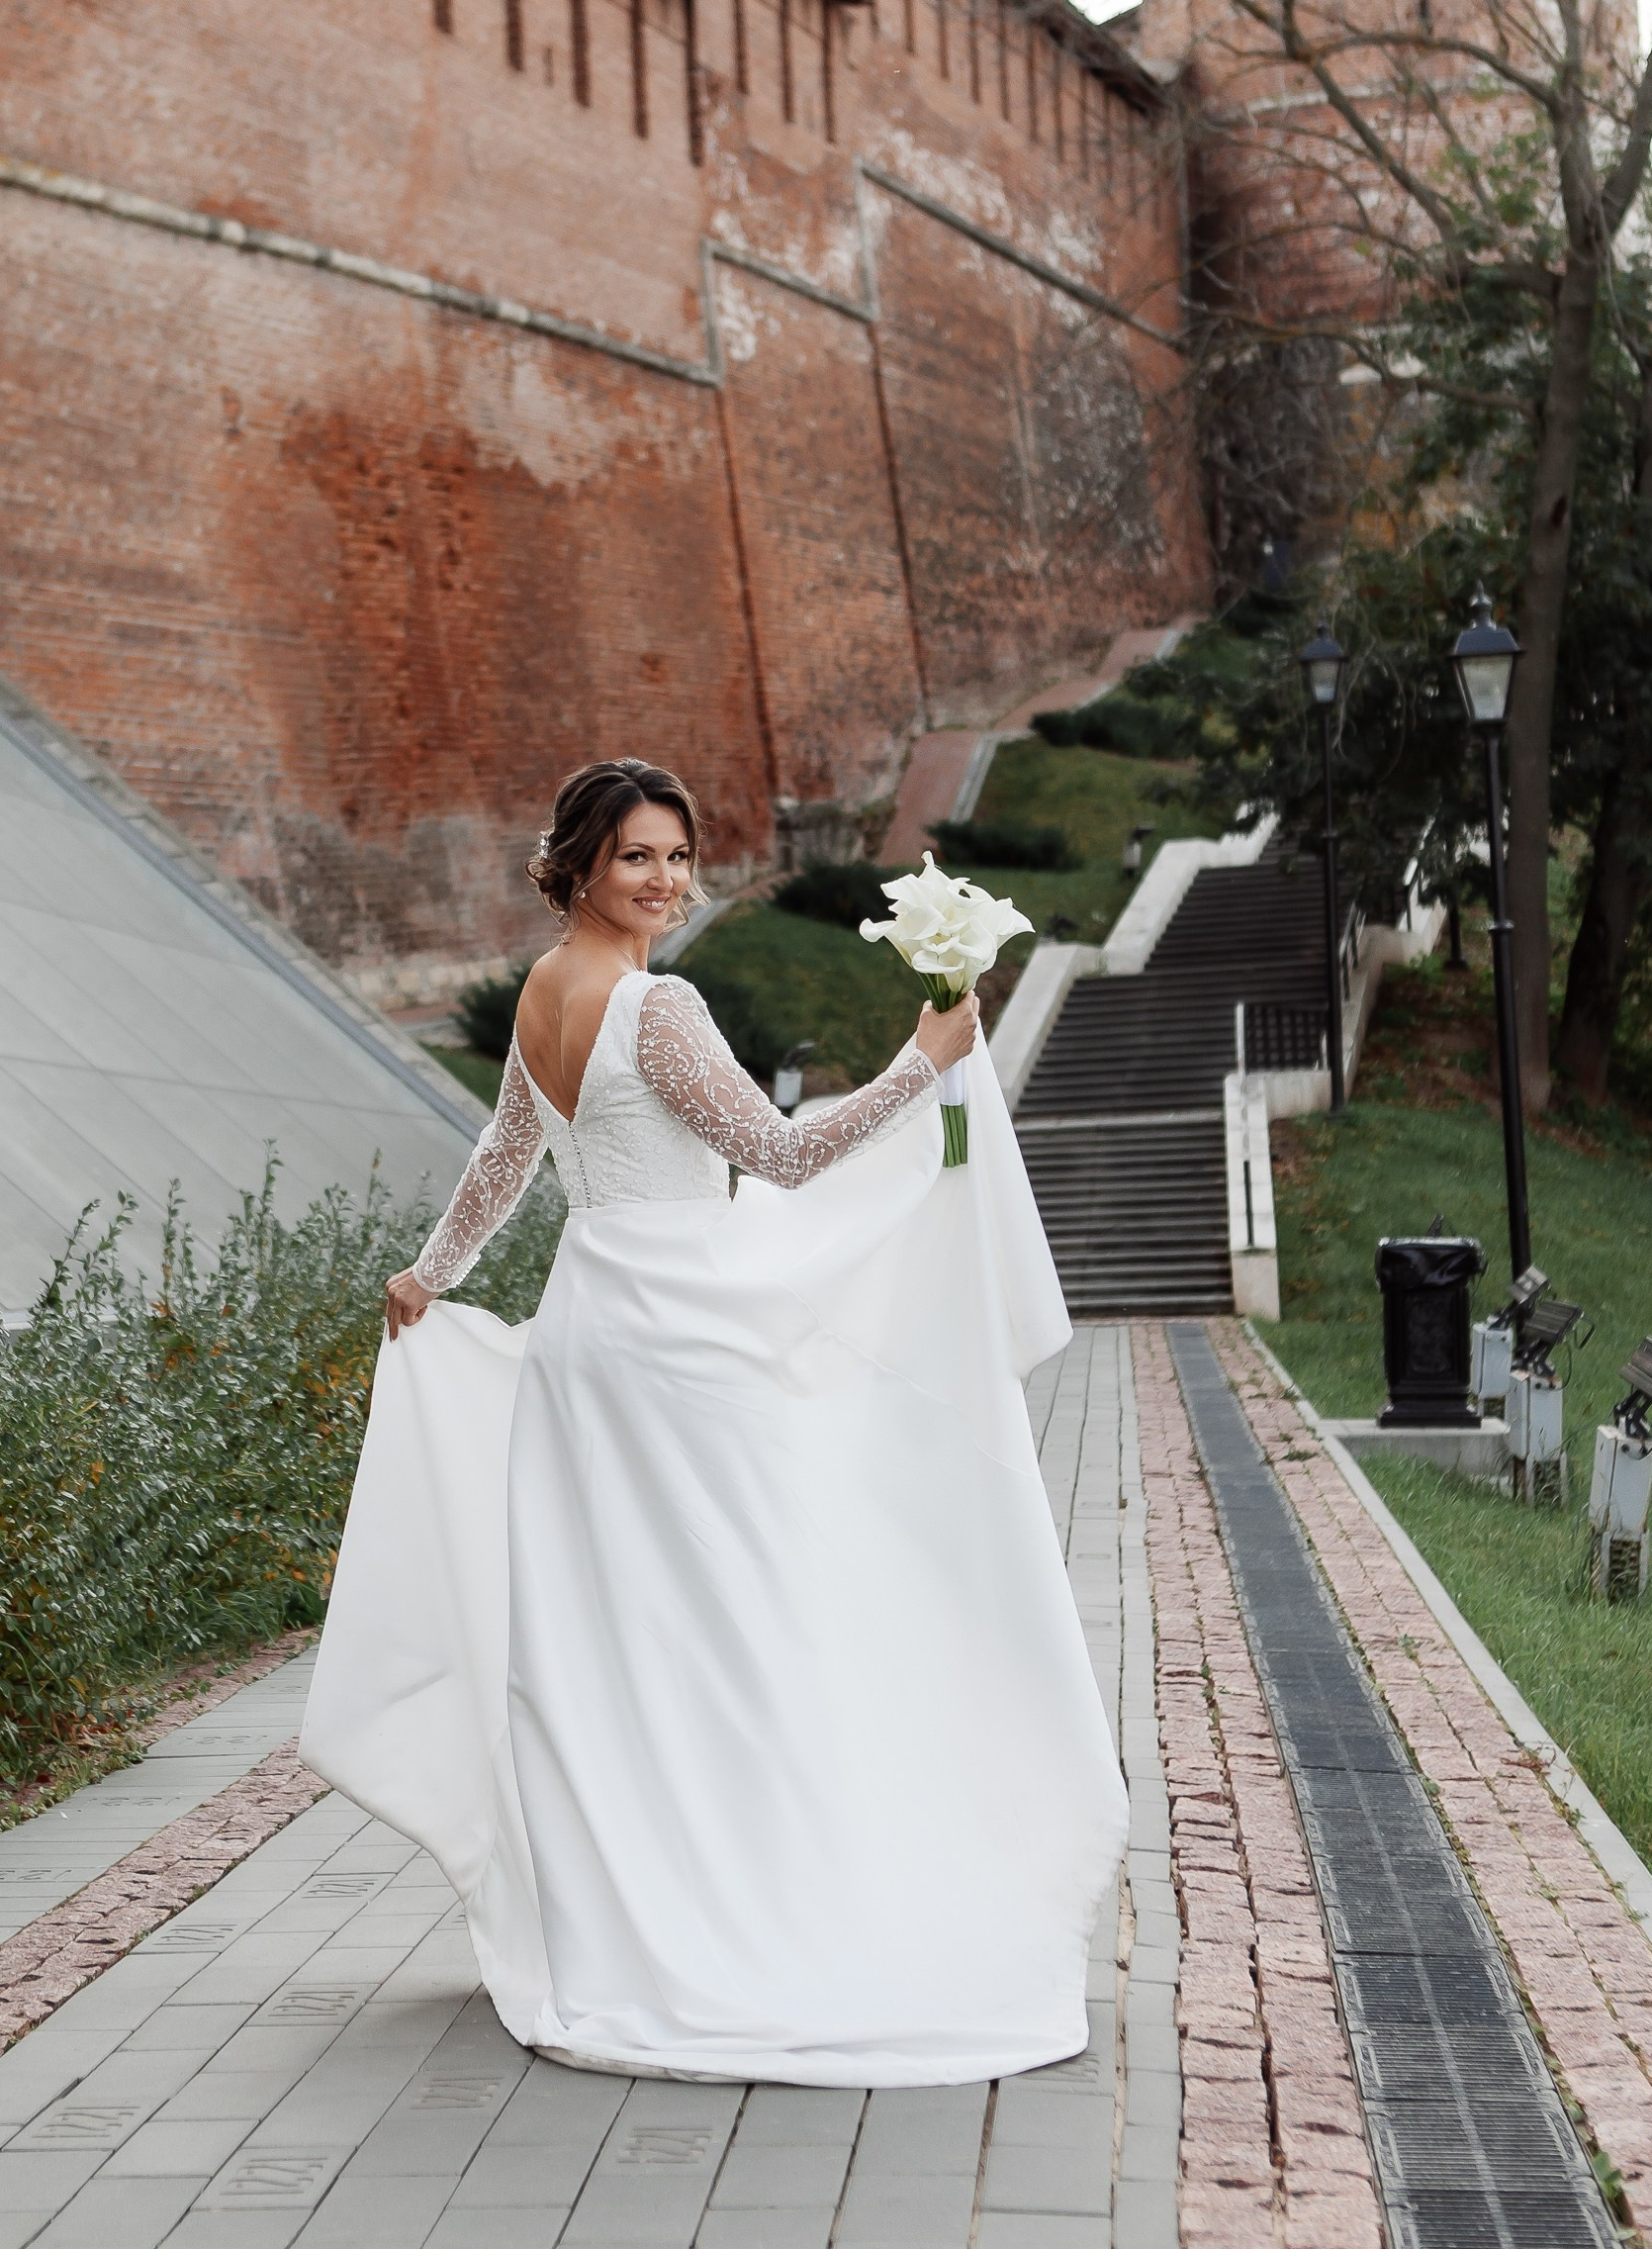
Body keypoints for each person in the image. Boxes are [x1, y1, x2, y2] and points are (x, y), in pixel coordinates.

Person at [302, 759, 1128, 2085]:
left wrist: (432, 1276)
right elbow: (786, 1156)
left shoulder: (541, 996)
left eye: (680, 858)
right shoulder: (652, 1003)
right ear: (577, 864)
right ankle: (741, 1905)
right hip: (685, 1340)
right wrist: (925, 1062)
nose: (668, 882)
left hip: (588, 1333)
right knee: (737, 1619)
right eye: (639, 857)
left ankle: (624, 1915)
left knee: (616, 1634)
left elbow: (508, 1160)